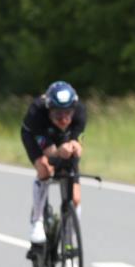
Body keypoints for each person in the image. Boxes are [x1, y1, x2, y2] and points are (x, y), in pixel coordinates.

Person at [20, 81, 86, 244]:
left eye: (68, 113)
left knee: (75, 198)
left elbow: (78, 143)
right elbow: (51, 154)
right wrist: (60, 152)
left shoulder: (80, 113)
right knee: (45, 168)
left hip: (62, 138)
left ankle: (69, 239)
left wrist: (75, 147)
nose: (64, 119)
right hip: (35, 136)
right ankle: (37, 221)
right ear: (49, 109)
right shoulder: (37, 113)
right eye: (58, 114)